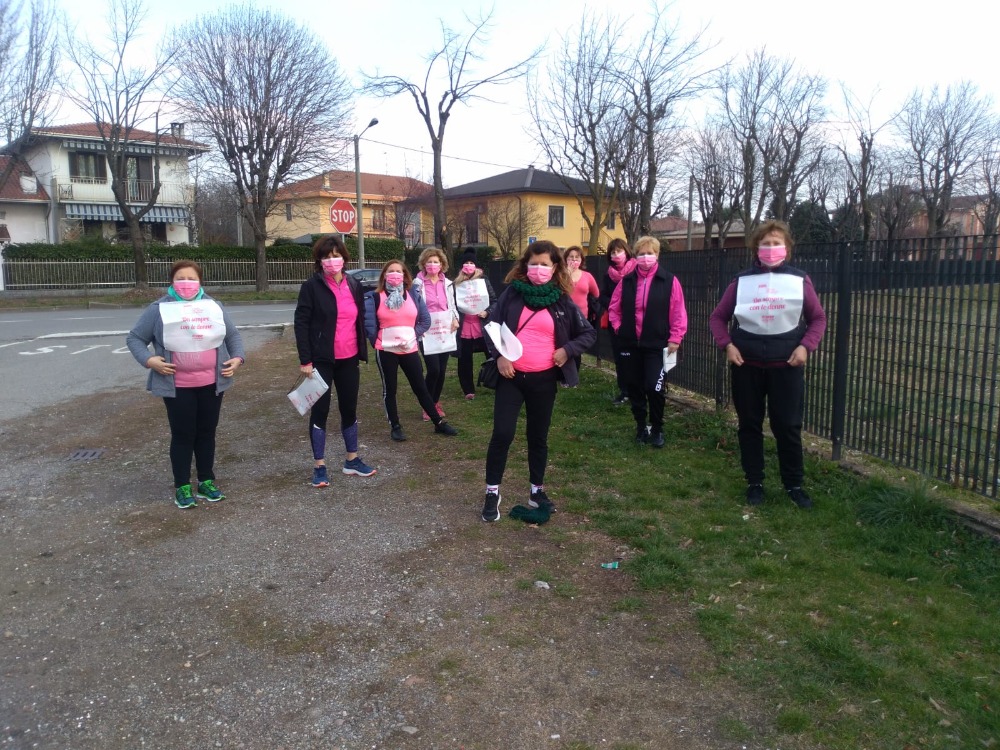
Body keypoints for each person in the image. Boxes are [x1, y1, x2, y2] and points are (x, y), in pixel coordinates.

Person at [709, 220, 827, 509]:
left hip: (786, 365)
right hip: (746, 365)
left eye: (777, 243)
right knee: (749, 425)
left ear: (787, 248)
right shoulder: (741, 281)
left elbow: (818, 318)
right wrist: (727, 345)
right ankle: (755, 482)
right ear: (756, 248)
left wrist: (806, 346)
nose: (771, 248)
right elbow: (718, 317)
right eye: (766, 244)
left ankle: (794, 484)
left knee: (787, 426)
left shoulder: (799, 280)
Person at [481, 240, 597, 522]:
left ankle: (537, 491)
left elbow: (588, 333)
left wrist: (567, 350)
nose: (538, 269)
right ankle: (492, 492)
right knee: (502, 433)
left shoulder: (561, 300)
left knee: (538, 436)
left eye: (544, 264)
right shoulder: (511, 294)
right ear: (525, 265)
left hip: (544, 380)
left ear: (554, 267)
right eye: (533, 264)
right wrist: (499, 356)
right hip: (511, 377)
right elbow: (491, 327)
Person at [126, 260, 245, 509]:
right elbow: (135, 338)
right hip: (177, 385)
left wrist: (237, 358)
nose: (186, 283)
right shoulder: (159, 309)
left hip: (212, 382)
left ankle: (206, 481)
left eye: (192, 278)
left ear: (200, 282)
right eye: (181, 278)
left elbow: (232, 335)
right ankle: (182, 485)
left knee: (207, 432)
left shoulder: (213, 307)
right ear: (172, 281)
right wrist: (149, 360)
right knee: (183, 435)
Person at [293, 235, 376, 489]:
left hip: (349, 358)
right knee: (320, 411)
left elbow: (360, 318)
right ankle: (319, 465)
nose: (332, 260)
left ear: (344, 258)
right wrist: (306, 359)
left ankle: (352, 460)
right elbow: (301, 323)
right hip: (322, 360)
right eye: (327, 257)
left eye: (336, 255)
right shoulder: (311, 286)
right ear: (319, 260)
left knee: (349, 408)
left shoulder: (354, 284)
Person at [364, 260, 459, 441]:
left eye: (398, 271)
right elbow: (369, 324)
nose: (395, 274)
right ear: (384, 275)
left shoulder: (413, 294)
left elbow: (425, 320)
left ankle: (438, 422)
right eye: (391, 271)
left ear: (404, 275)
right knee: (390, 389)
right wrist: (377, 340)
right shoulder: (375, 297)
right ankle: (395, 426)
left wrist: (411, 335)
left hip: (409, 348)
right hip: (386, 349)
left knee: (420, 386)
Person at [609, 236, 688, 449]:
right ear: (635, 256)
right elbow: (614, 308)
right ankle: (641, 426)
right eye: (642, 253)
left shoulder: (669, 281)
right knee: (634, 387)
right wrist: (618, 327)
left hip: (657, 345)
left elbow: (678, 312)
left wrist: (675, 338)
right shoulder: (626, 281)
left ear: (657, 255)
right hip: (630, 344)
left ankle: (657, 427)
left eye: (650, 253)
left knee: (654, 387)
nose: (646, 257)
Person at [411, 247, 459, 420]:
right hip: (427, 331)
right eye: (429, 262)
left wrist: (455, 319)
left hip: (445, 330)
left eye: (435, 262)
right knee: (433, 370)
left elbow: (451, 304)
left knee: (442, 370)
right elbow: (414, 306)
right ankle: (427, 404)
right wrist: (417, 326)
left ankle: (435, 402)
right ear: (423, 264)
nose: (432, 265)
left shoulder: (448, 283)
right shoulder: (417, 284)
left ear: (442, 264)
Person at [452, 247, 497, 400]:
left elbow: (494, 301)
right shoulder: (456, 284)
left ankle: (497, 381)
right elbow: (451, 304)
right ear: (462, 266)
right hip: (464, 327)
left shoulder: (484, 281)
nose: (469, 265)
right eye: (466, 263)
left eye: (472, 263)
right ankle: (468, 390)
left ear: (476, 265)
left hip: (482, 325)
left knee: (492, 354)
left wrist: (487, 312)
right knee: (464, 360)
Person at [600, 238, 636, 405]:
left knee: (635, 357)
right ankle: (624, 391)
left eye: (619, 251)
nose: (616, 254)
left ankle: (638, 390)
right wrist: (614, 305)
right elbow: (602, 296)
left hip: (635, 321)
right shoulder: (608, 275)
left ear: (626, 252)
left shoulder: (636, 271)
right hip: (615, 323)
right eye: (613, 252)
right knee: (620, 358)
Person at [564, 245, 600, 374]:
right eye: (571, 257)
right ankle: (563, 374)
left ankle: (574, 375)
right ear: (566, 259)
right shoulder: (560, 275)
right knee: (563, 345)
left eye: (577, 257)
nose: (574, 260)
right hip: (563, 317)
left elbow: (596, 293)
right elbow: (556, 290)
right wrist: (567, 273)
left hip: (581, 318)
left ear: (581, 260)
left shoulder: (587, 276)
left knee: (576, 347)